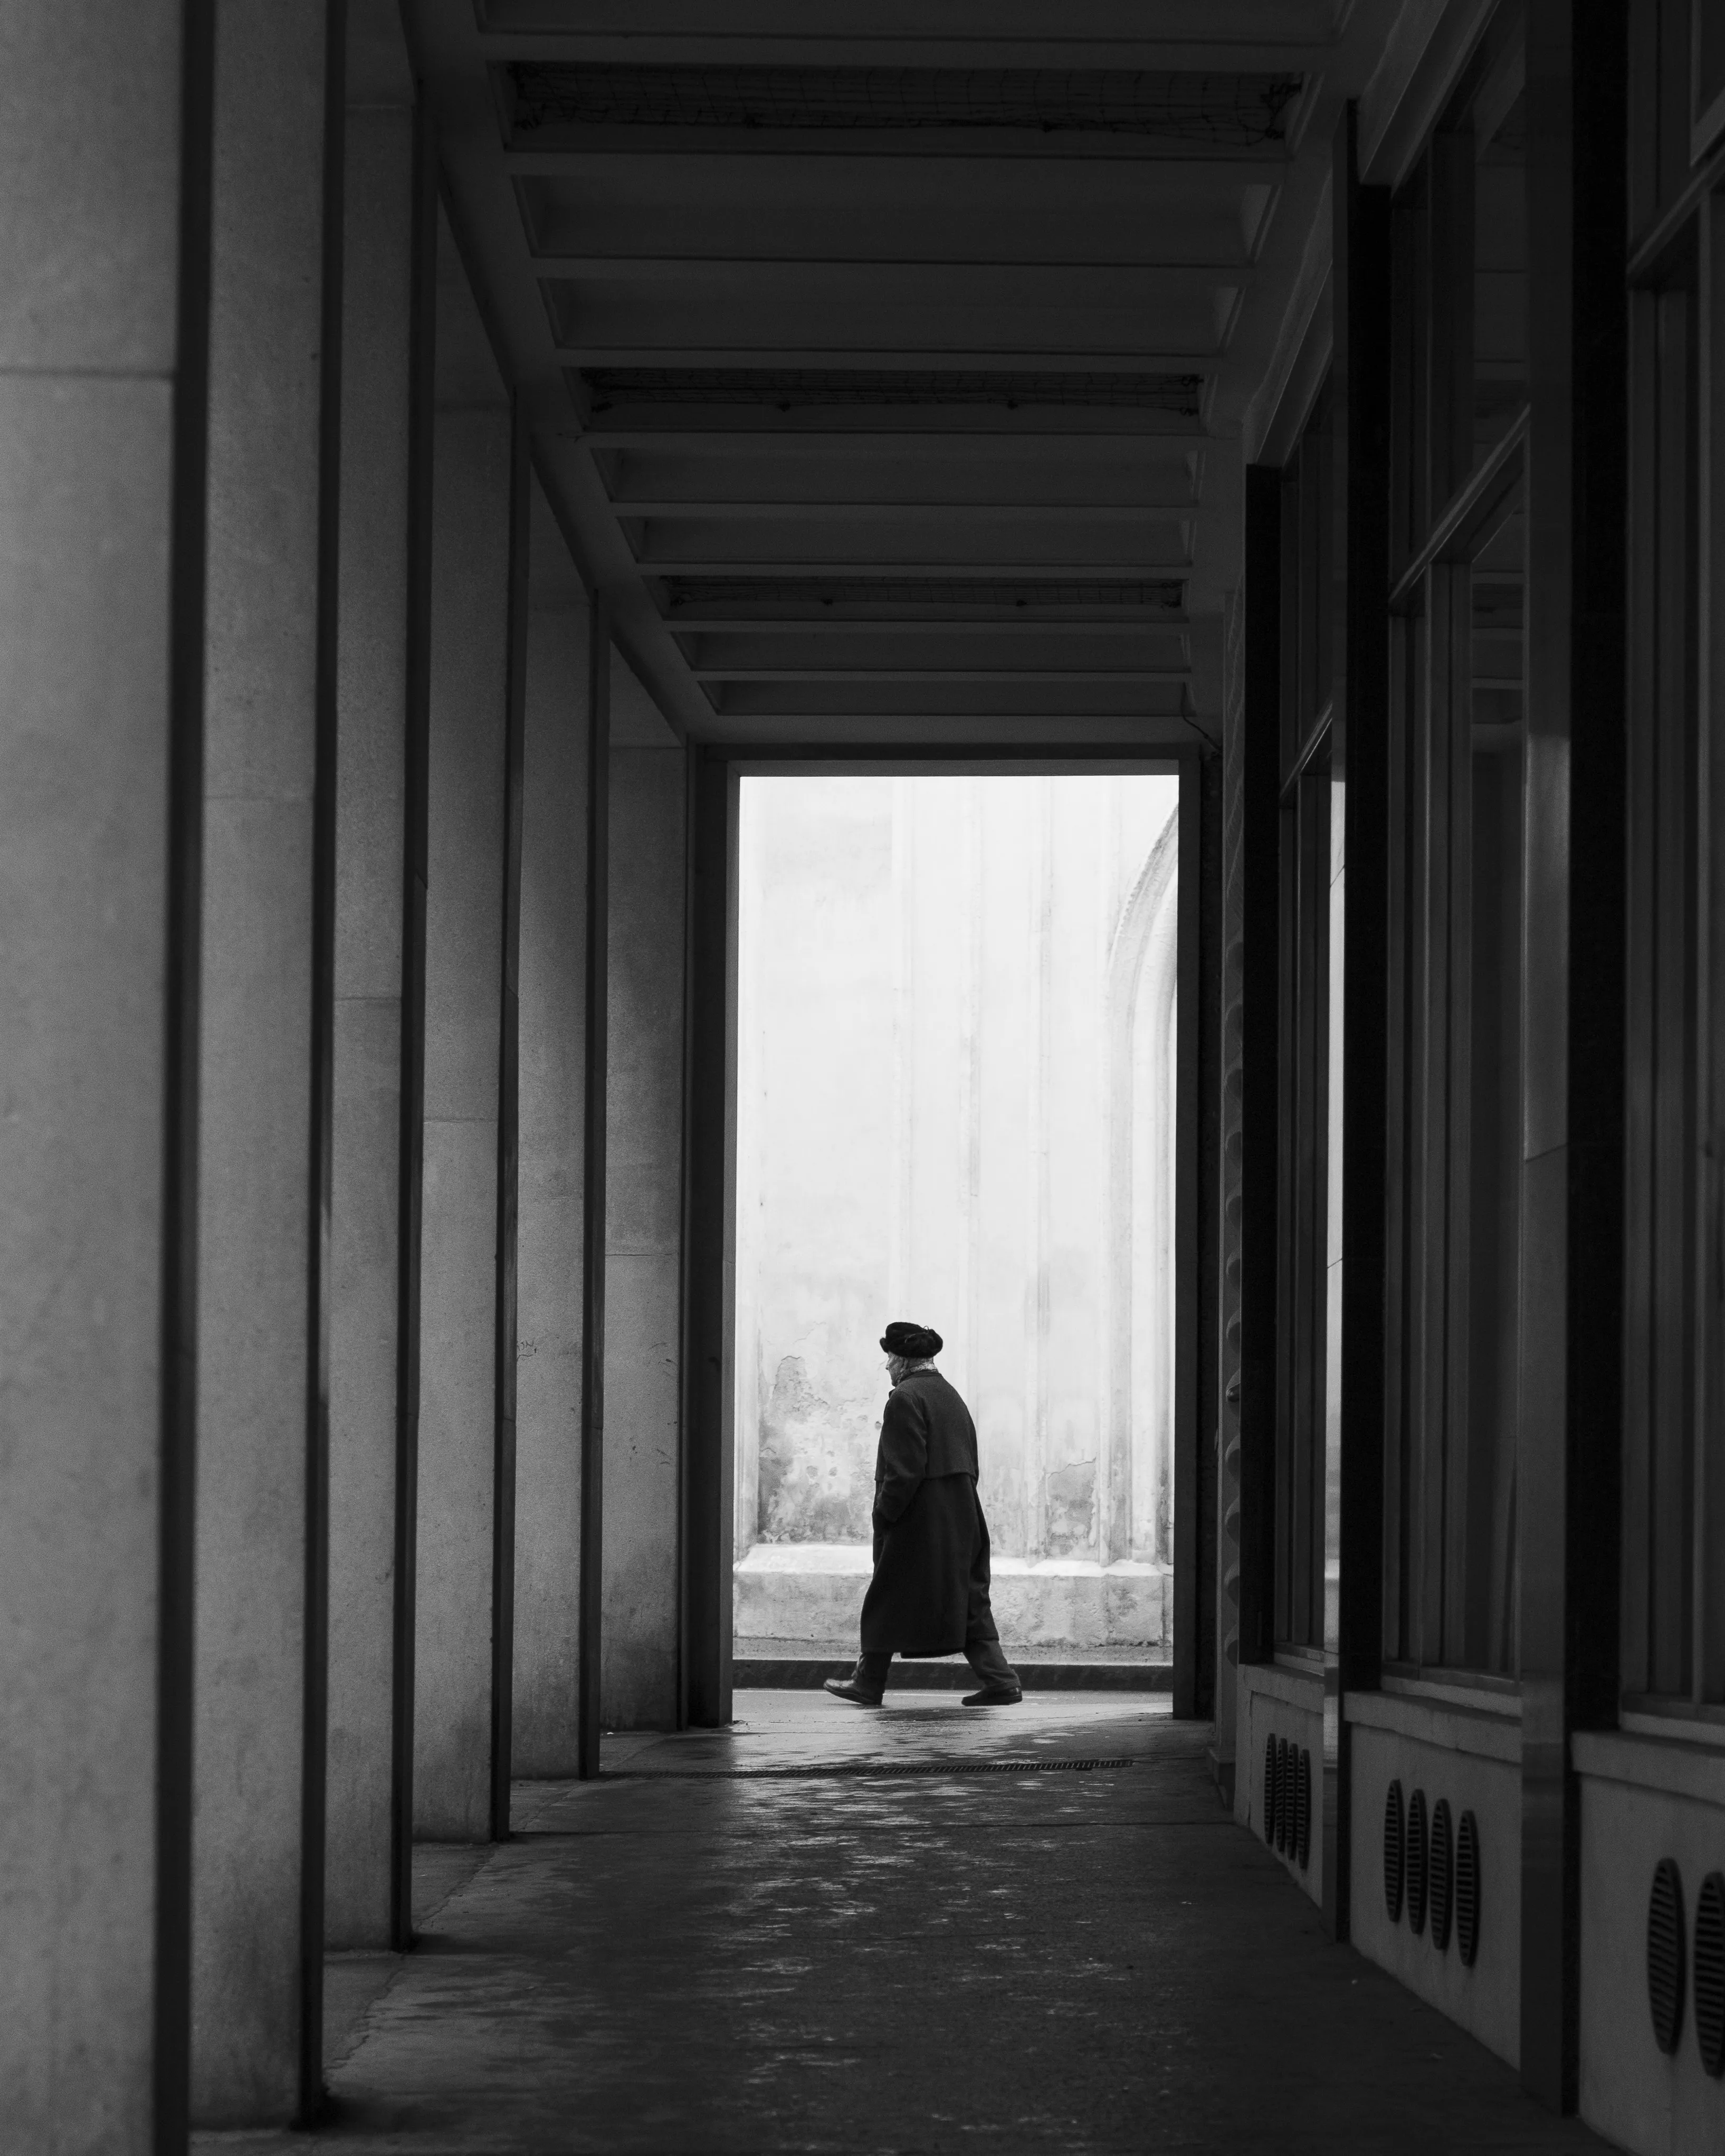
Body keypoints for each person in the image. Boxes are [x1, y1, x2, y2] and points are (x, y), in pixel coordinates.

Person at [824, 1321, 1022, 1708]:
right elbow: (971, 1461)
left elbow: (904, 1471)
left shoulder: (904, 1398)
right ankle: (1001, 1682)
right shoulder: (950, 1395)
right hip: (961, 1512)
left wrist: (884, 1516)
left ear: (901, 1359)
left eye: (888, 1358)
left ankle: (868, 1683)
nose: (885, 1366)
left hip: (920, 1517)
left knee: (887, 1594)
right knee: (966, 1597)